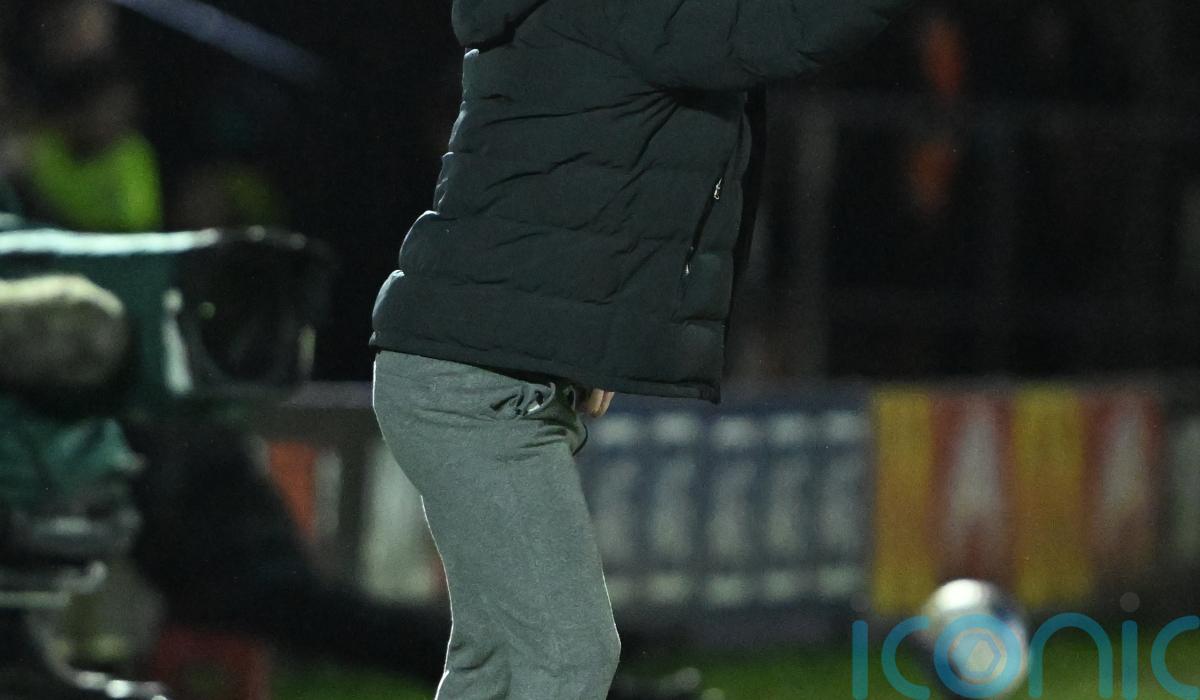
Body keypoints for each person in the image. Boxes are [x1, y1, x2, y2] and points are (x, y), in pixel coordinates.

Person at [370, 1, 914, 698]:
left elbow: (567, 180)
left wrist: (581, 347)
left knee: (497, 664)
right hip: (474, 389)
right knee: (569, 656)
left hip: (470, 370)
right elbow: (794, 29)